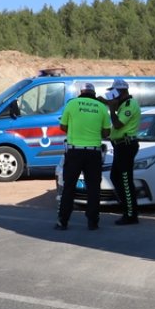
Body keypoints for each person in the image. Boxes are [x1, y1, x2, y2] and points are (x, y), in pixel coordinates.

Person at [55, 82, 111, 231]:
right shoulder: (101, 107)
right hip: (93, 152)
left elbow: (63, 126)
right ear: (93, 93)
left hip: (74, 152)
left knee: (69, 187)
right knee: (93, 188)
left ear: (81, 92)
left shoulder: (72, 104)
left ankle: (63, 221)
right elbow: (107, 133)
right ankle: (93, 222)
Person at [104, 79, 142, 225]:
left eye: (114, 92)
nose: (112, 96)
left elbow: (118, 124)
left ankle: (131, 214)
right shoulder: (122, 104)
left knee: (125, 180)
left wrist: (112, 109)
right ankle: (127, 208)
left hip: (126, 146)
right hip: (120, 146)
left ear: (120, 91)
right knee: (115, 177)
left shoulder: (129, 105)